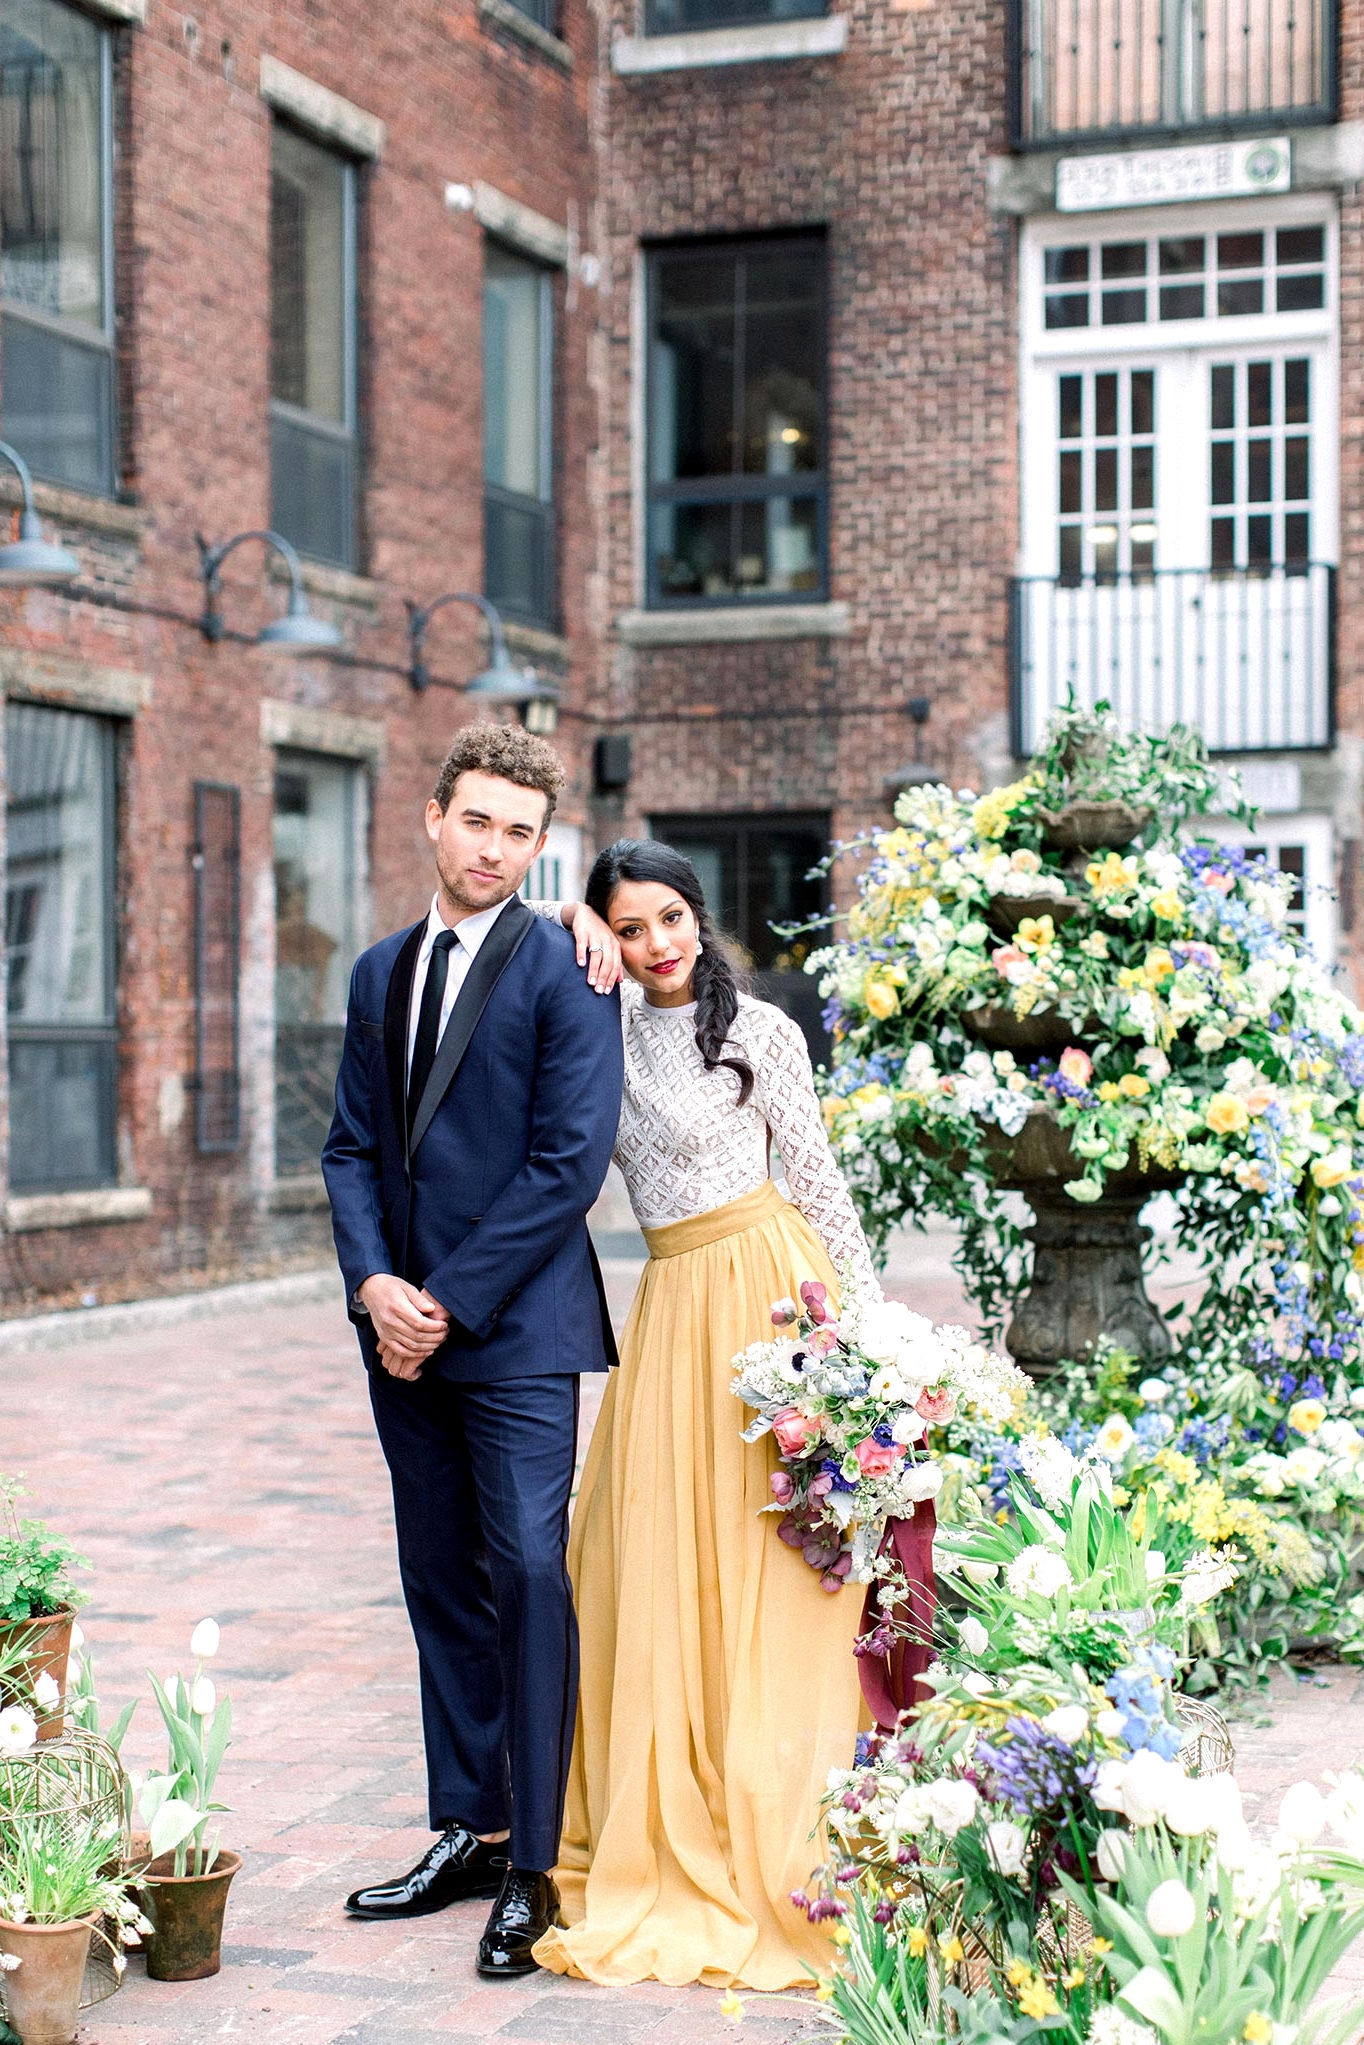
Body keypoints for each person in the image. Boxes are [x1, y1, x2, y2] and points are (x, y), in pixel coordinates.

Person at [529, 838, 881, 1991]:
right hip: (674, 1310)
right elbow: (510, 940)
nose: (657, 944)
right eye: (627, 928)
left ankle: (785, 1805)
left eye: (670, 917)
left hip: (773, 1291)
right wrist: (565, 928)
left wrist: (868, 1337)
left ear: (699, 914)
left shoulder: (761, 1030)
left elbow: (818, 1176)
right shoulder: (602, 1037)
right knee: (655, 1562)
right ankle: (672, 1812)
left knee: (777, 1555)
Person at [320, 725, 623, 1979]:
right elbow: (349, 1148)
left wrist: (440, 1298)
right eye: (477, 821)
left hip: (513, 1331)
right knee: (439, 1578)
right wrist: (374, 1284)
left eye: (520, 831)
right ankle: (473, 1825)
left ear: (541, 845)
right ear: (432, 818)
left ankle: (540, 1867)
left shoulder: (567, 968)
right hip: (402, 1334)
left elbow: (570, 1160)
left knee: (527, 1579)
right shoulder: (378, 970)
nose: (495, 847)